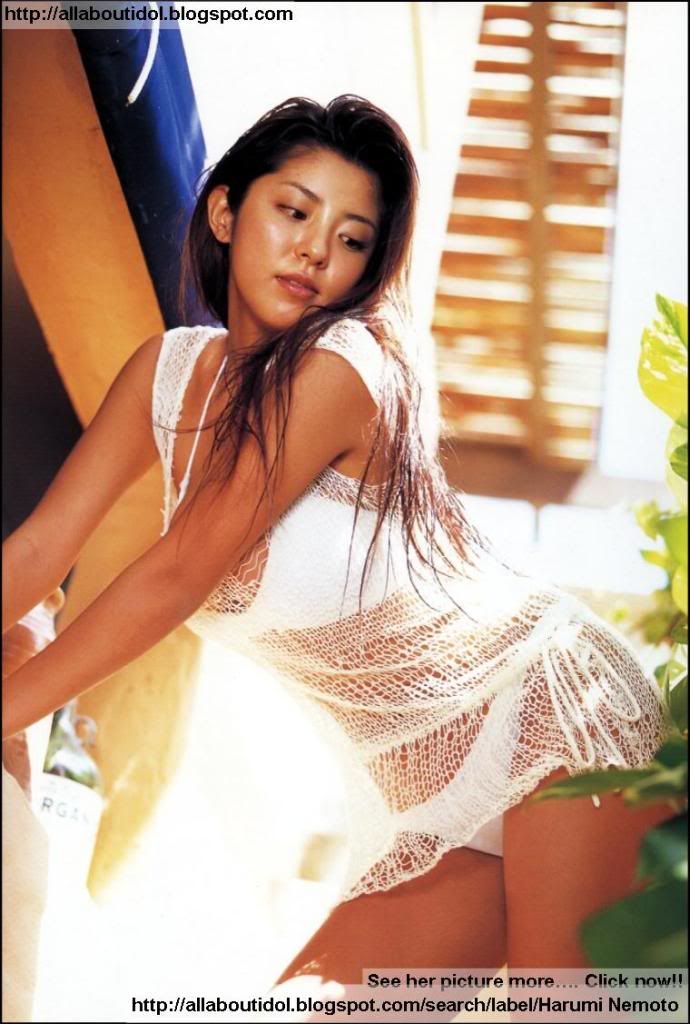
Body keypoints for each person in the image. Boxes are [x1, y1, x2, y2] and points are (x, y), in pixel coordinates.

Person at [2, 95, 672, 994]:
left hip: (554, 713)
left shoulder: (346, 364)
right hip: (415, 796)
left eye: (352, 238)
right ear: (225, 210)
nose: (317, 251)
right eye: (294, 211)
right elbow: (38, 551)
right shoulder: (165, 373)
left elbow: (176, 574)